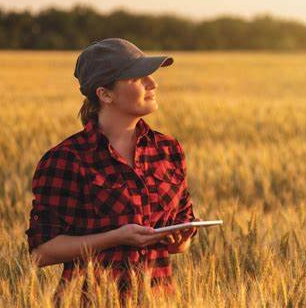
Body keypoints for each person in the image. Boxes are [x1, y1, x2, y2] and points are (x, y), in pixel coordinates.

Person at [24, 38, 200, 307]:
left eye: (151, 75)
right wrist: (117, 237)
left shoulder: (168, 151)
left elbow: (180, 245)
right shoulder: (68, 159)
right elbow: (42, 252)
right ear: (105, 94)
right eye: (137, 77)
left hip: (159, 299)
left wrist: (176, 238)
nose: (152, 83)